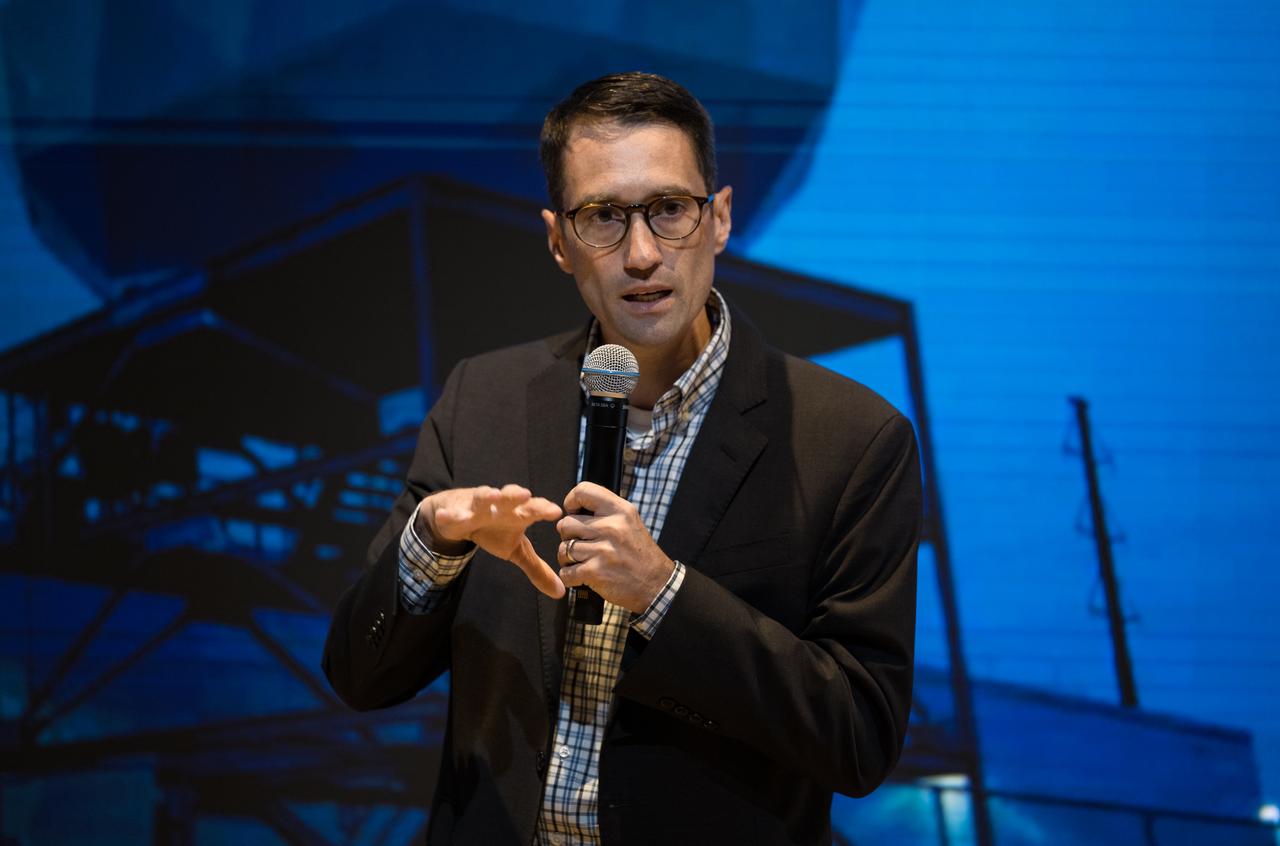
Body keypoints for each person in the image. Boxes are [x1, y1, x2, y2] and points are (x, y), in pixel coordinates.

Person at [322, 71, 920, 845]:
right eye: (603, 217)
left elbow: (860, 736)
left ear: (720, 219)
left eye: (670, 210)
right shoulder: (487, 399)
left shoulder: (849, 438)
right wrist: (430, 546)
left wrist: (664, 595)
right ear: (558, 242)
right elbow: (358, 677)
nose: (641, 254)